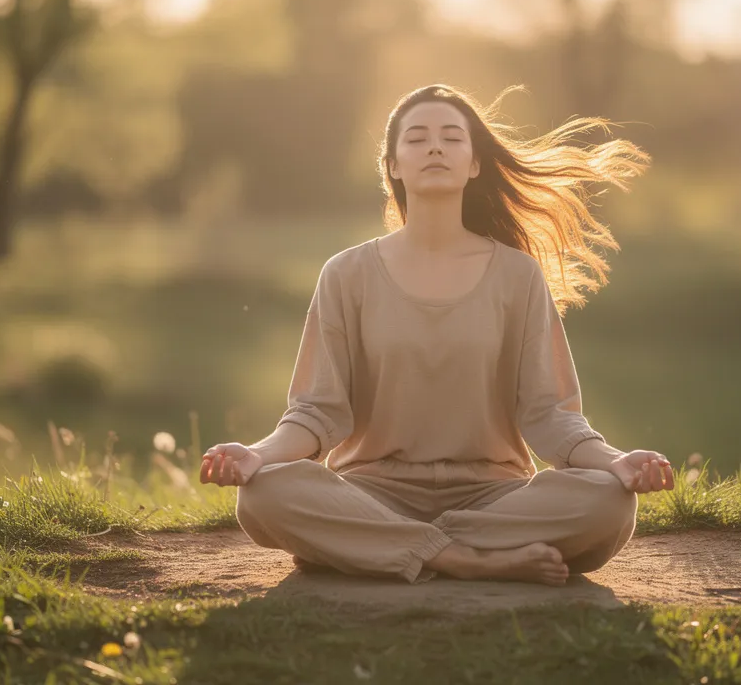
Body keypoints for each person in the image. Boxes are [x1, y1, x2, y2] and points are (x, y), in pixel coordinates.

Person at [200, 84, 674, 586]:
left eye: (452, 137)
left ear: (474, 164)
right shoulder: (346, 273)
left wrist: (617, 462)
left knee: (608, 502)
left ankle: (375, 546)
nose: (434, 147)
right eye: (416, 138)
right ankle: (465, 559)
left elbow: (550, 416)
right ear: (393, 167)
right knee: (264, 492)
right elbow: (317, 412)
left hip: (493, 497)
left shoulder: (518, 275)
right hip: (372, 490)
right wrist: (257, 455)